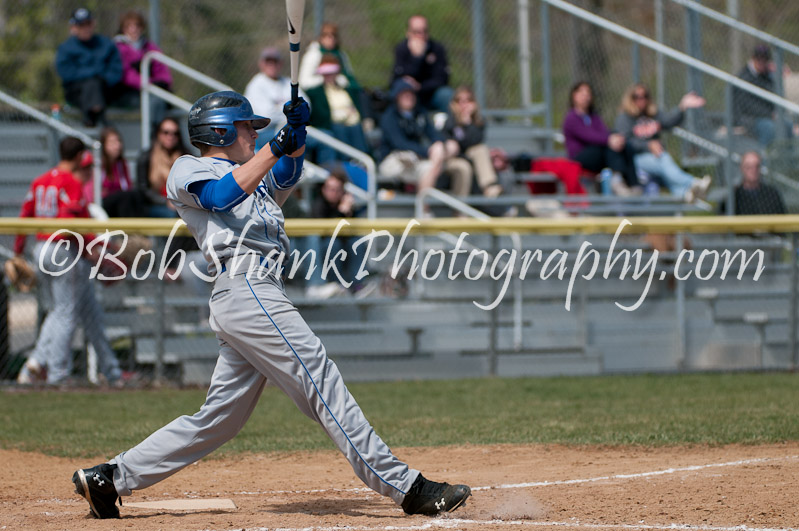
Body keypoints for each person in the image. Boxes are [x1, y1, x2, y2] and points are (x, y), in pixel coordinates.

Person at [71, 90, 471, 519]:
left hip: (254, 292)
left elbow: (285, 173)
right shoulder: (189, 168)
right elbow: (219, 196)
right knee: (320, 379)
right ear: (220, 129)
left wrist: (296, 135)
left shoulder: (254, 174)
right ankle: (406, 486)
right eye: (247, 127)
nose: (253, 135)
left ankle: (109, 477)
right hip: (245, 287)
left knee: (219, 420)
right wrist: (275, 145)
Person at [14, 137, 122, 386]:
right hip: (63, 250)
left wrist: (19, 250)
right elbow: (72, 224)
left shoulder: (39, 180)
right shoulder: (70, 182)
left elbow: (24, 216)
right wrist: (96, 252)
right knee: (65, 314)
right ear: (77, 158)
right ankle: (57, 374)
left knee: (71, 311)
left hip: (40, 248)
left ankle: (37, 364)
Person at [379, 79, 472, 205]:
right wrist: (429, 151)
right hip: (394, 160)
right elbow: (399, 144)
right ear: (397, 97)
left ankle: (459, 211)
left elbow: (435, 135)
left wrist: (440, 147)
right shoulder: (389, 117)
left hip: (419, 158)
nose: (409, 97)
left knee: (454, 154)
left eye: (411, 94)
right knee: (429, 166)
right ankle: (423, 208)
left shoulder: (419, 113)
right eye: (404, 94)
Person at [614, 83, 711, 202]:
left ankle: (684, 193)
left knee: (664, 166)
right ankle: (693, 182)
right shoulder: (624, 118)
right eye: (637, 96)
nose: (641, 99)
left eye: (645, 96)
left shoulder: (652, 114)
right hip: (635, 160)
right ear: (630, 99)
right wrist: (648, 145)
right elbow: (625, 143)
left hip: (654, 158)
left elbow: (669, 120)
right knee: (663, 158)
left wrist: (682, 106)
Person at [563, 81, 640, 196]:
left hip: (599, 153)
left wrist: (616, 139)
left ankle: (634, 185)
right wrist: (610, 139)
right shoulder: (571, 118)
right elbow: (589, 136)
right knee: (609, 144)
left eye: (588, 94)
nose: (586, 97)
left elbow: (604, 132)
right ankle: (617, 180)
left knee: (625, 145)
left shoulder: (594, 116)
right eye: (582, 94)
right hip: (580, 156)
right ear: (574, 96)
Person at [55, 8, 122, 127]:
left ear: (93, 24)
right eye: (81, 25)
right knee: (91, 84)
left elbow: (116, 70)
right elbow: (66, 73)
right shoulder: (66, 48)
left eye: (88, 24)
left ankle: (90, 119)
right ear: (73, 27)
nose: (85, 28)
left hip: (104, 89)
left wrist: (100, 78)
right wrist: (93, 74)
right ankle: (99, 119)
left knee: (95, 84)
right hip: (77, 92)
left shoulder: (105, 44)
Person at [305, 169, 364, 299]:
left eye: (336, 189)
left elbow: (350, 231)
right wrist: (342, 212)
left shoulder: (347, 205)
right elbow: (325, 232)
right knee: (333, 245)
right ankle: (338, 285)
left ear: (342, 191)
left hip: (342, 241)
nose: (332, 192)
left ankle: (357, 285)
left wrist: (347, 212)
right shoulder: (319, 204)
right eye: (329, 188)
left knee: (357, 242)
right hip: (323, 244)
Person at [112, 10, 173, 130]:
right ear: (123, 28)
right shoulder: (118, 48)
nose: (134, 29)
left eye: (137, 25)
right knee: (155, 101)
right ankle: (153, 135)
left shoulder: (149, 46)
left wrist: (162, 82)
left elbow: (161, 68)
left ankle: (158, 133)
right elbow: (126, 73)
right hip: (128, 93)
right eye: (129, 26)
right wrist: (149, 84)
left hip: (150, 90)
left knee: (160, 99)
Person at [305, 55, 369, 164]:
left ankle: (361, 162)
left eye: (331, 73)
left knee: (356, 128)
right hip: (333, 126)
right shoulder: (316, 93)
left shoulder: (346, 90)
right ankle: (346, 162)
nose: (329, 76)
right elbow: (320, 115)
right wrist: (343, 115)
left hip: (352, 125)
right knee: (340, 129)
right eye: (326, 73)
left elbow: (354, 110)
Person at [443, 86, 504, 198]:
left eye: (467, 101)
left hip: (471, 158)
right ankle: (460, 209)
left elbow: (475, 141)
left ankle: (489, 186)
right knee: (464, 167)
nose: (463, 105)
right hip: (454, 160)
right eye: (459, 101)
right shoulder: (450, 121)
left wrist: (468, 124)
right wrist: (462, 122)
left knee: (481, 149)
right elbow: (457, 145)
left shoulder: (478, 122)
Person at [244, 46, 308, 149]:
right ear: (261, 64)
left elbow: (306, 105)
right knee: (299, 138)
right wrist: (292, 114)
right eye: (268, 61)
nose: (272, 65)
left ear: (281, 63)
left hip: (290, 128)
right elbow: (267, 115)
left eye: (275, 61)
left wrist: (281, 111)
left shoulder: (287, 82)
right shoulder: (256, 84)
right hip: (263, 133)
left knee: (324, 138)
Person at [390, 15, 453, 113]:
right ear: (408, 33)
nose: (421, 35)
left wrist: (421, 87)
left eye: (424, 31)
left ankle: (454, 126)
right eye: (416, 32)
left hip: (431, 93)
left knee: (447, 94)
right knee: (398, 94)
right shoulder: (402, 49)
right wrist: (417, 58)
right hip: (410, 93)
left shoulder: (437, 48)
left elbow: (442, 78)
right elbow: (398, 78)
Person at [732, 44, 792, 147]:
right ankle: (764, 159)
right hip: (747, 118)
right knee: (769, 128)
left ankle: (787, 161)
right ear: (753, 58)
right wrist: (770, 114)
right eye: (759, 59)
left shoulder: (767, 76)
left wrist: (776, 75)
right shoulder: (744, 76)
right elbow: (747, 106)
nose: (762, 62)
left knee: (788, 125)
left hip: (766, 116)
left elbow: (775, 95)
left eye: (765, 59)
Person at [136, 116, 188, 217]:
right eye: (166, 132)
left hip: (181, 204)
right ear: (158, 134)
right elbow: (143, 189)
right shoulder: (146, 157)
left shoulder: (185, 157)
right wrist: (165, 202)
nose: (170, 136)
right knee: (171, 214)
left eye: (175, 133)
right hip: (154, 205)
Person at [720, 151, 786, 215]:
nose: (753, 170)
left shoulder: (772, 194)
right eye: (749, 167)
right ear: (742, 168)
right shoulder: (734, 196)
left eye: (756, 166)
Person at [299, 22, 360, 91]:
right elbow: (304, 82)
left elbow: (349, 75)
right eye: (327, 36)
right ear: (321, 37)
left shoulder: (341, 55)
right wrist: (330, 79)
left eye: (334, 35)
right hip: (320, 93)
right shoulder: (313, 54)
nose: (331, 39)